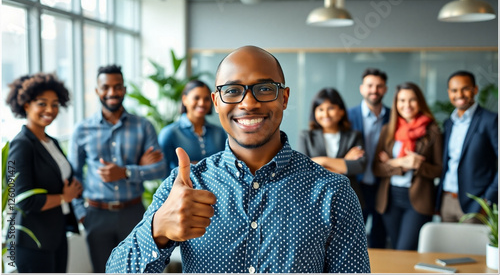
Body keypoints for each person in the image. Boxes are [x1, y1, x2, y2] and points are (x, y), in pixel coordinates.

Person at [106, 46, 370, 273]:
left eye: (265, 88)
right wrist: (158, 231)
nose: (249, 103)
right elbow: (115, 270)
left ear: (284, 98)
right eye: (232, 91)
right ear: (216, 102)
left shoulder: (333, 192)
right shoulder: (186, 185)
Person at [68, 64, 168, 273]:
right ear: (97, 91)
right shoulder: (82, 129)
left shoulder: (143, 126)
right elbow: (74, 175)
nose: (112, 92)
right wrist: (81, 214)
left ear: (124, 89)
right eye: (106, 87)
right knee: (102, 270)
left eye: (117, 86)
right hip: (96, 215)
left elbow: (160, 169)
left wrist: (126, 172)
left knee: (139, 269)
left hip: (133, 212)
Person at [5, 73, 83, 272]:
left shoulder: (51, 142)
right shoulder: (20, 145)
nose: (50, 110)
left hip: (55, 235)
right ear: (26, 105)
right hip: (33, 242)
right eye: (42, 103)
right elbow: (21, 199)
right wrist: (65, 197)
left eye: (55, 104)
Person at [372, 82, 442, 251]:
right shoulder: (388, 130)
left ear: (420, 102)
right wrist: (400, 164)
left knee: (406, 249)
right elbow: (376, 167)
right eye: (402, 100)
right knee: (397, 250)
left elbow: (439, 169)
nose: (406, 105)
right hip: (390, 199)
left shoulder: (432, 131)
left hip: (418, 200)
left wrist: (418, 165)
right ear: (396, 104)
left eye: (412, 100)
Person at [436, 70, 498, 222]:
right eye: (454, 90)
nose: (460, 94)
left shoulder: (490, 120)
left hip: (476, 203)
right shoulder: (449, 123)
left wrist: (488, 199)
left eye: (465, 89)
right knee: (445, 246)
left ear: (475, 90)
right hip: (447, 199)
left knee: (471, 246)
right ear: (449, 92)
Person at [298, 87, 366, 208]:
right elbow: (302, 170)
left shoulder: (354, 136)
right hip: (315, 201)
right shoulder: (306, 136)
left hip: (348, 199)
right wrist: (345, 163)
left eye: (331, 108)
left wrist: (321, 162)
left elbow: (359, 166)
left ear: (341, 111)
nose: (325, 114)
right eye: (320, 109)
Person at [347, 68, 390, 248]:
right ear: (362, 88)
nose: (374, 90)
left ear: (385, 89)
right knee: (353, 238)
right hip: (357, 185)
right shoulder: (348, 116)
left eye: (379, 86)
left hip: (384, 186)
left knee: (380, 236)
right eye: (370, 85)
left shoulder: (394, 117)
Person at [158, 80, 227, 175]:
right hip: (183, 189)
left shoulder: (219, 132)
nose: (202, 103)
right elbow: (161, 172)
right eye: (196, 98)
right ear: (184, 99)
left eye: (206, 99)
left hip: (216, 189)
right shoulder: (170, 133)